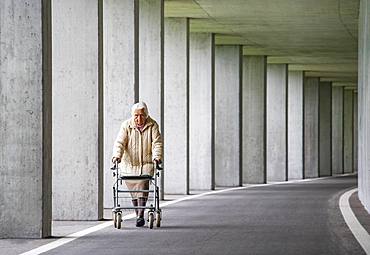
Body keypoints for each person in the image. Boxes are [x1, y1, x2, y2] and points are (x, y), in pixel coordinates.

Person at [112, 102, 162, 227]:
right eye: (136, 115)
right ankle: (138, 214)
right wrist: (117, 155)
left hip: (146, 165)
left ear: (146, 115)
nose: (138, 118)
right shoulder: (126, 126)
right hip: (129, 164)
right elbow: (120, 143)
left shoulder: (153, 125)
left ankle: (140, 215)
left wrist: (157, 157)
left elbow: (157, 143)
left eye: (141, 115)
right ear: (132, 115)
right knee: (134, 190)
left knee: (142, 185)